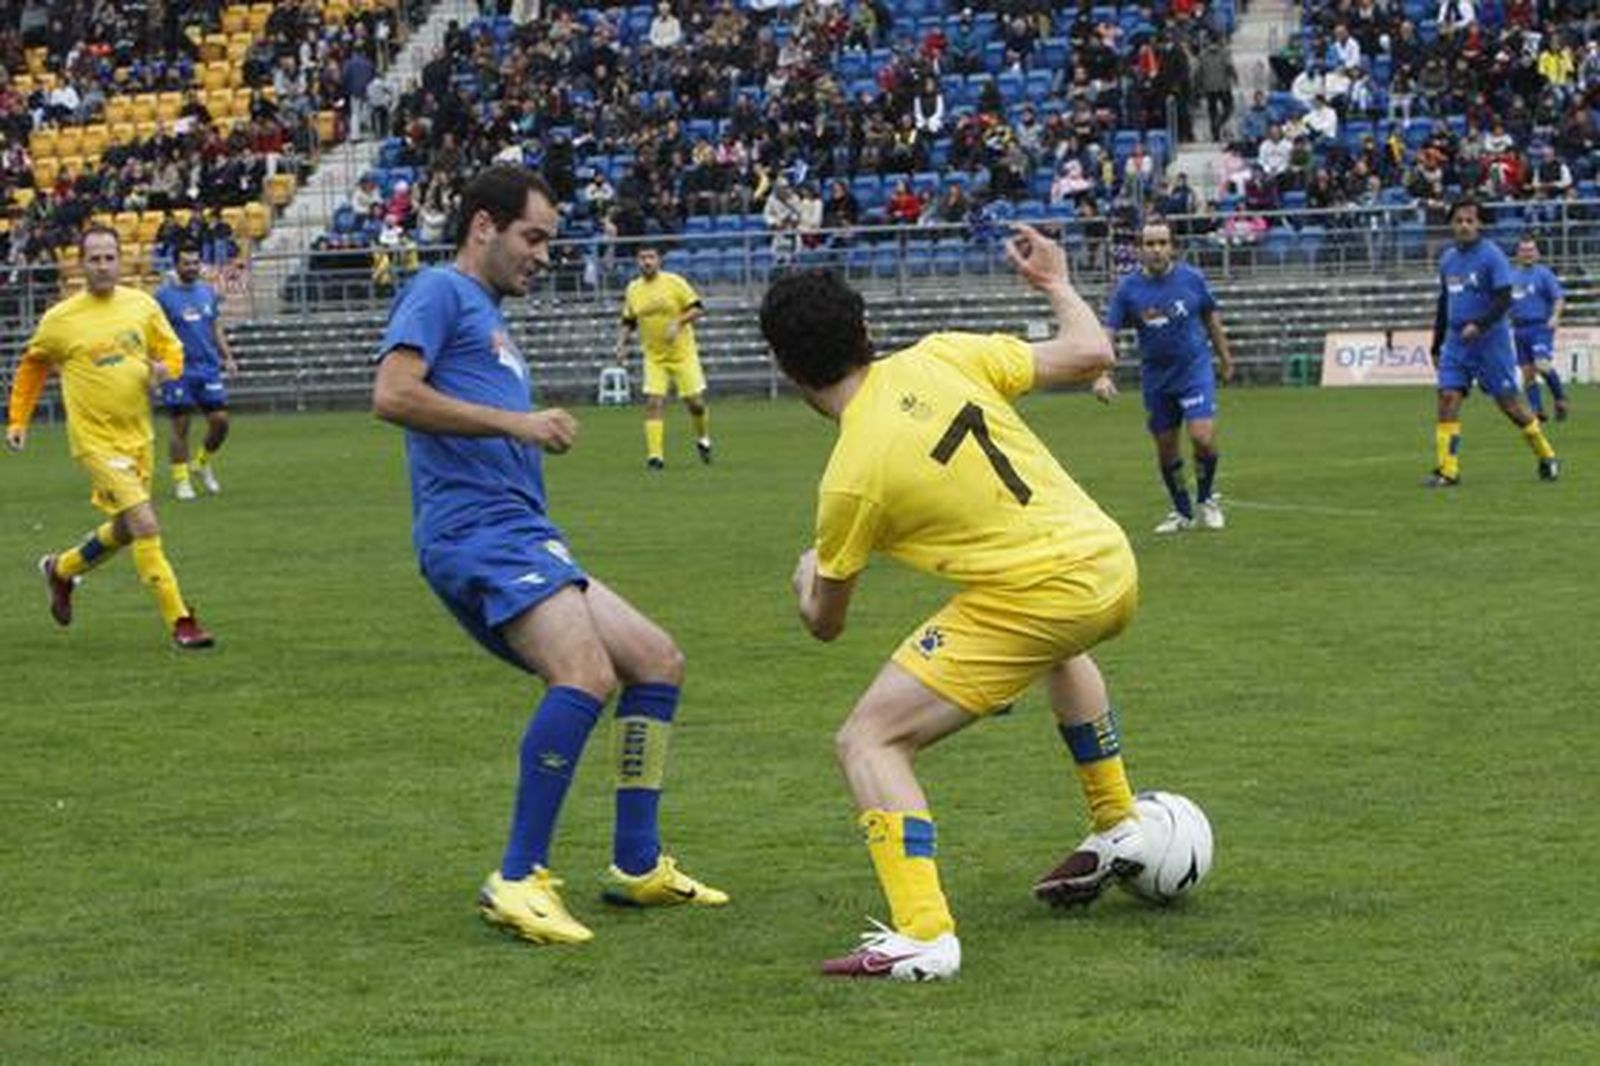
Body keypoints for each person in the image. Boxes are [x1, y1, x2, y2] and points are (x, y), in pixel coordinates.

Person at [762, 224, 1152, 981]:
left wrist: (806, 576)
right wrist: (1056, 283)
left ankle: (925, 933)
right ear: (867, 330)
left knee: (868, 740)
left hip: (1040, 592)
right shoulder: (941, 353)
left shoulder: (851, 476)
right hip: (1108, 563)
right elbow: (1092, 353)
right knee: (1056, 644)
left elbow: (826, 624)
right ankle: (1118, 824)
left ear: (785, 370)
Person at [371, 166, 726, 946]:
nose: (542, 255)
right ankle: (517, 875)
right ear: (483, 227)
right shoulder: (438, 290)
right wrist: (518, 424)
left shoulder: (487, 314)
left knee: (657, 660)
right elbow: (393, 394)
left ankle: (635, 864)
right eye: (533, 237)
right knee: (586, 673)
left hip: (523, 532)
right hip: (475, 533)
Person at [5, 225, 214, 649]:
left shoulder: (142, 306)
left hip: (138, 438)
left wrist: (164, 370)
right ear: (81, 264)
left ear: (121, 260)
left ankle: (61, 570)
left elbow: (172, 351)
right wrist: (17, 420)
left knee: (124, 527)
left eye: (110, 258)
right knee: (145, 522)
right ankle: (181, 621)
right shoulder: (61, 319)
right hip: (94, 444)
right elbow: (33, 365)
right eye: (95, 259)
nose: (103, 266)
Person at [1097, 222, 1234, 533]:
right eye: (1150, 244)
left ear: (1172, 246)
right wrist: (1103, 373)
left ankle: (1207, 499)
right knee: (1166, 448)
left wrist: (1226, 358)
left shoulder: (1192, 279)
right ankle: (1182, 512)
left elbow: (1210, 317)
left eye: (1162, 243)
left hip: (1194, 370)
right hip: (1157, 378)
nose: (1156, 249)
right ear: (1139, 248)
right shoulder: (1128, 289)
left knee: (1202, 436)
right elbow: (1109, 333)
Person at [1426, 201, 1559, 486]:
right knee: (1447, 398)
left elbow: (1504, 297)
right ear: (1451, 224)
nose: (1464, 225)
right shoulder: (1447, 259)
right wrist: (1436, 344)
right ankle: (1447, 470)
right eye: (1458, 220)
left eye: (1469, 221)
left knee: (1511, 406)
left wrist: (1480, 325)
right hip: (1456, 342)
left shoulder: (1492, 256)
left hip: (1490, 344)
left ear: (1479, 224)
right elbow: (1444, 302)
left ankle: (1546, 455)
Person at [614, 244, 713, 470]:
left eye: (651, 257)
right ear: (637, 262)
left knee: (695, 404)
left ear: (659, 260)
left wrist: (678, 322)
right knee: (654, 402)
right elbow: (628, 320)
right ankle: (655, 457)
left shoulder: (674, 282)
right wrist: (620, 344)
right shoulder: (633, 289)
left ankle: (703, 438)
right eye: (642, 258)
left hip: (683, 355)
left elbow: (697, 308)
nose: (646, 262)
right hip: (654, 357)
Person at [156, 244, 240, 499]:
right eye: (186, 263)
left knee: (220, 422)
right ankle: (182, 480)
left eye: (195, 263)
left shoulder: (207, 292)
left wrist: (228, 356)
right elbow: (153, 331)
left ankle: (201, 463)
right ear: (176, 266)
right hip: (177, 369)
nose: (192, 268)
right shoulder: (162, 297)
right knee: (181, 425)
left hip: (208, 367)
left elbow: (215, 326)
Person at [1509, 235, 1571, 423]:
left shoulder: (1544, 274)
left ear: (1537, 253)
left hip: (1540, 327)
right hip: (1519, 329)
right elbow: (1504, 302)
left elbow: (1558, 298)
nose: (1528, 254)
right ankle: (1537, 411)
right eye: (1524, 250)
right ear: (1518, 254)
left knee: (1542, 364)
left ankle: (1560, 398)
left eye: (1531, 250)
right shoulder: (1511, 276)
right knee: (1528, 373)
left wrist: (1555, 316)